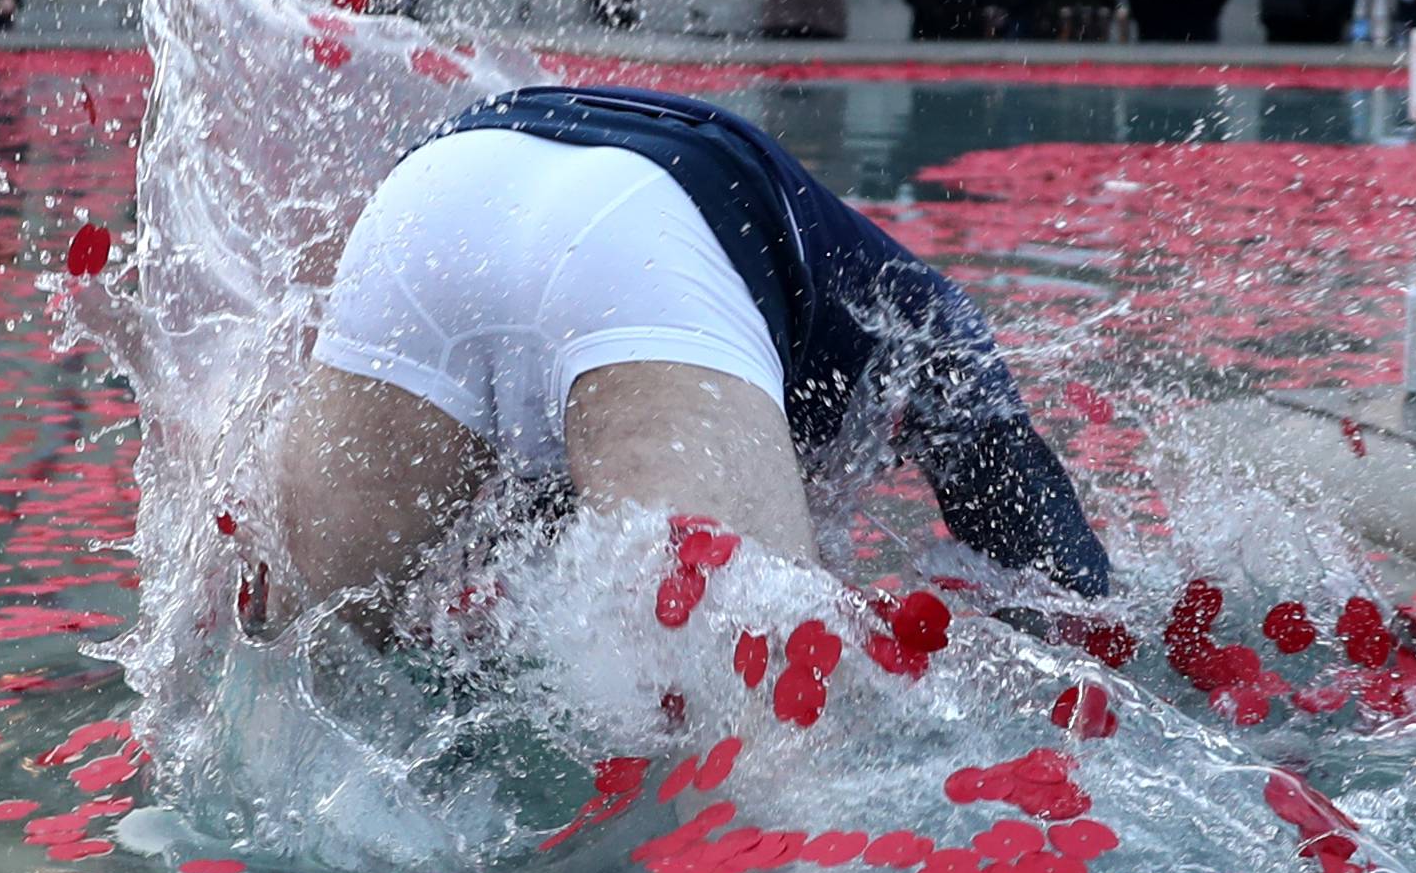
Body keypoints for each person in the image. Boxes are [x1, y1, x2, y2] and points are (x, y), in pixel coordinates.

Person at [275, 85, 1111, 646]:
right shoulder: (935, 324)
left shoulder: (850, 286)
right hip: (651, 235)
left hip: (433, 193)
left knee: (326, 646)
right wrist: (1100, 622)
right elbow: (1056, 578)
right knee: (769, 752)